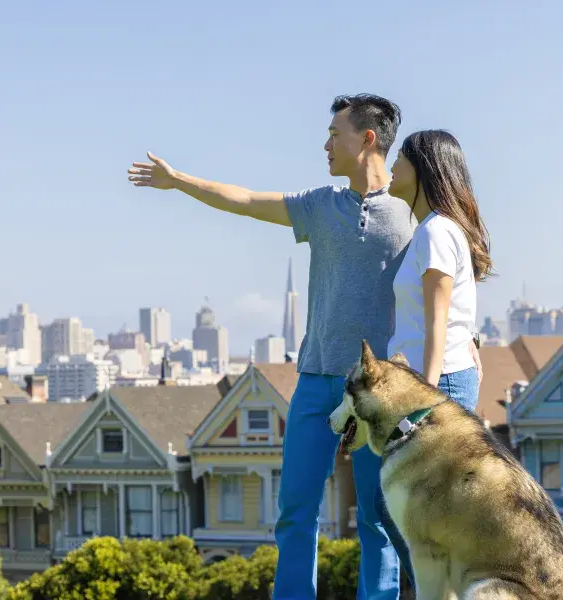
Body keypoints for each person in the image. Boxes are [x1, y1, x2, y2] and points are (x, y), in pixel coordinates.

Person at [128, 94, 414, 600]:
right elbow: (241, 198)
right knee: (296, 513)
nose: (325, 143)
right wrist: (179, 182)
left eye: (334, 133)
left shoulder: (412, 214)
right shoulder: (319, 206)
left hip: (378, 391)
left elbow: (449, 274)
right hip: (317, 379)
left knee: (376, 519)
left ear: (368, 139)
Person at [381, 128, 493, 591]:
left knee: (403, 510)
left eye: (401, 159)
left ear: (423, 170)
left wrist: (420, 403)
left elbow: (438, 322)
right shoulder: (433, 230)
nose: (391, 167)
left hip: (436, 387)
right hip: (441, 381)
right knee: (408, 514)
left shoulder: (437, 232)